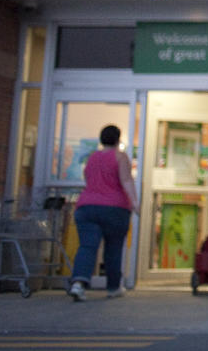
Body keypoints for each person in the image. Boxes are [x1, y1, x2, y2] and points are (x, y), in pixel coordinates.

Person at [68, 124, 139, 301]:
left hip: (86, 207)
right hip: (114, 209)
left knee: (87, 246)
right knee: (113, 249)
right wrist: (136, 203)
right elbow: (127, 181)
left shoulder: (92, 158)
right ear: (118, 139)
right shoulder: (120, 157)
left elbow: (88, 179)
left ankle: (78, 283)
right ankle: (113, 287)